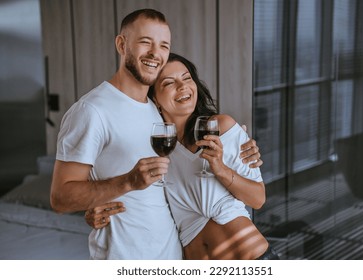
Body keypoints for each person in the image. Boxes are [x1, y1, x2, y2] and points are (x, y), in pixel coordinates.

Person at [50, 9, 262, 260]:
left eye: (163, 45)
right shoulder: (92, 110)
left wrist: (237, 146)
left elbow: (172, 186)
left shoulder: (158, 115)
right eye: (145, 42)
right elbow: (61, 197)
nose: (155, 53)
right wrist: (124, 184)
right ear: (121, 44)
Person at [86, 53, 279, 260]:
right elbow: (126, 195)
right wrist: (93, 212)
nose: (183, 86)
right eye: (169, 83)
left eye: (187, 78)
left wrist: (221, 169)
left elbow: (257, 199)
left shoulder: (221, 128)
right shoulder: (151, 148)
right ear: (154, 100)